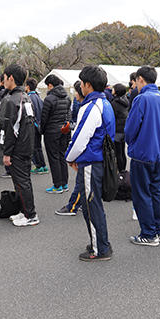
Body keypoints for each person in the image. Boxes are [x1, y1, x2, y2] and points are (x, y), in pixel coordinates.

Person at [65, 65, 115, 261]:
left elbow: (80, 138)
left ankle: (99, 248)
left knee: (92, 206)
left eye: (82, 84)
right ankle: (100, 243)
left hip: (91, 161)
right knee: (92, 205)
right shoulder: (105, 103)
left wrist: (70, 157)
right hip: (100, 160)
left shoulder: (90, 106)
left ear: (87, 85)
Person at [125, 66, 160, 246]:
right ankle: (159, 230)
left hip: (142, 153)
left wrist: (132, 143)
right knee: (156, 191)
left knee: (142, 194)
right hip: (159, 153)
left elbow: (130, 129)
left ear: (140, 79)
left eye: (135, 81)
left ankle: (148, 233)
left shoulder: (141, 99)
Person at [0, 64, 38, 226]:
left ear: (11, 78)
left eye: (5, 77)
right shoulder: (25, 97)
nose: (3, 81)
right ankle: (25, 211)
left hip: (17, 149)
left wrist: (6, 153)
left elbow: (10, 129)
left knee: (22, 182)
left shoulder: (12, 100)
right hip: (26, 146)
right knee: (22, 181)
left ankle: (31, 215)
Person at [55, 81, 85, 216]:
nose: (75, 94)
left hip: (86, 153)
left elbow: (81, 136)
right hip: (93, 153)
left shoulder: (86, 108)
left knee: (82, 180)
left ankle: (73, 206)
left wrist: (70, 156)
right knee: (86, 181)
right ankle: (84, 202)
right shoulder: (100, 104)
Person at [41, 74, 71, 194]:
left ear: (50, 85)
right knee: (61, 156)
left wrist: (41, 130)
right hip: (64, 130)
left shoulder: (49, 99)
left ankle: (57, 185)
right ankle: (64, 183)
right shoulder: (67, 97)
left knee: (53, 158)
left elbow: (44, 118)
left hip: (51, 131)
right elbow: (69, 114)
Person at [26, 78, 48, 175]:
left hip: (33, 125)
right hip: (39, 125)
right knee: (38, 146)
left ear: (28, 86)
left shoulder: (29, 98)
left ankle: (39, 165)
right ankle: (42, 165)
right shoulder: (38, 97)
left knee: (34, 147)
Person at [110, 83, 129, 172]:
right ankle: (123, 171)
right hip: (123, 129)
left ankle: (120, 172)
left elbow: (112, 117)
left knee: (118, 153)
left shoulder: (114, 103)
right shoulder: (125, 101)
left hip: (117, 130)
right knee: (122, 152)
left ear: (116, 91)